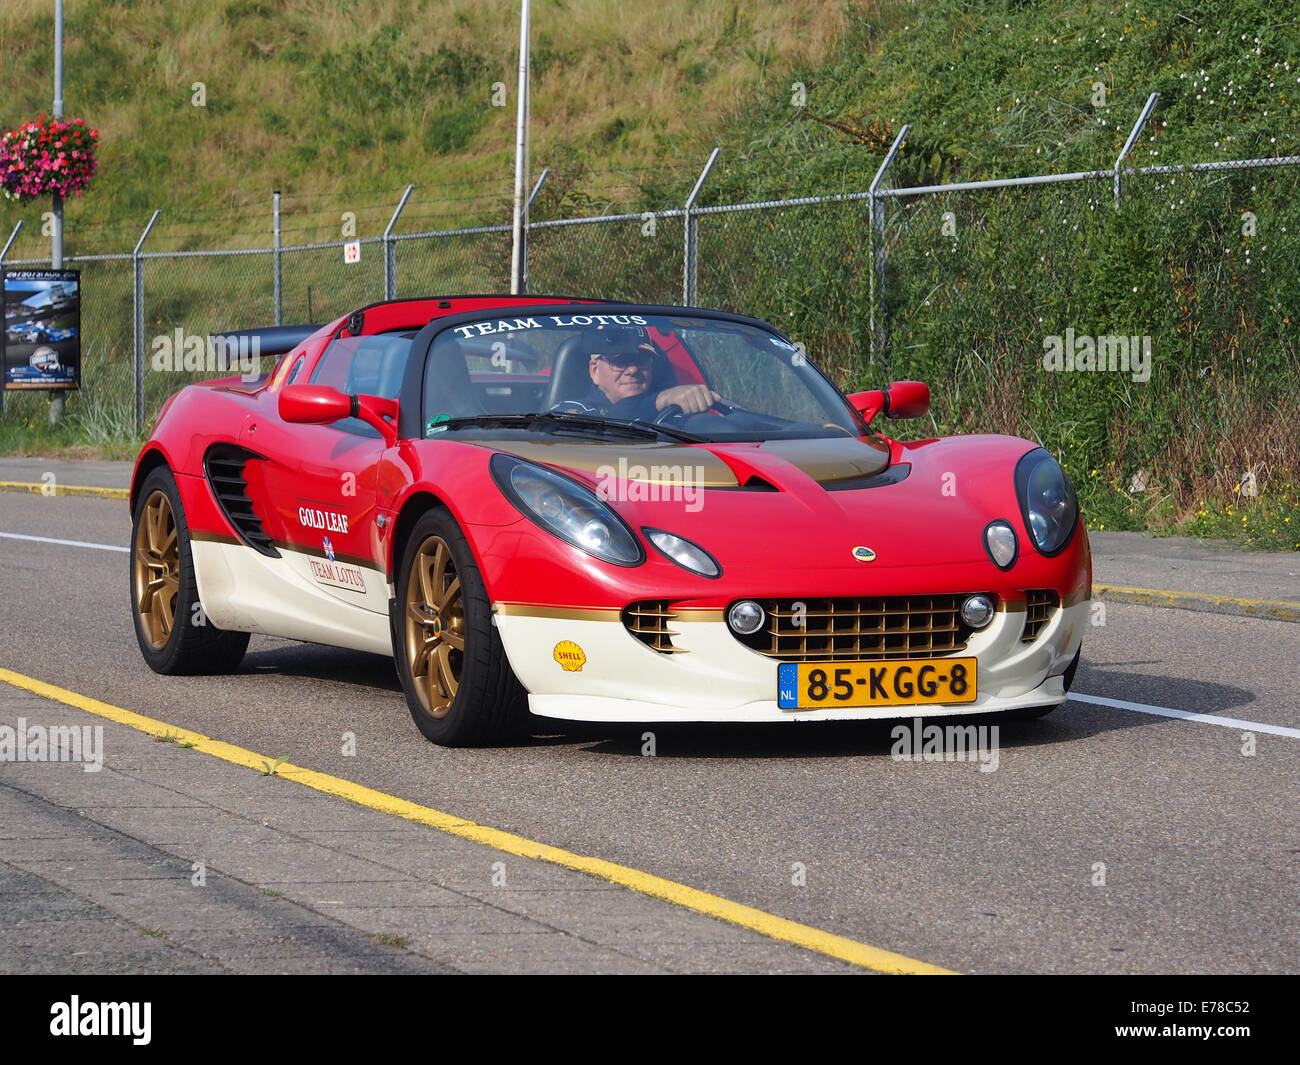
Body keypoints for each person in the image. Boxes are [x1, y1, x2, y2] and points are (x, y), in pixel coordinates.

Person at [576, 327, 719, 420]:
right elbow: (609, 424)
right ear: (595, 371)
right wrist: (659, 400)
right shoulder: (569, 414)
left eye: (642, 360)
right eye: (620, 362)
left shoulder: (673, 413)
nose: (633, 370)